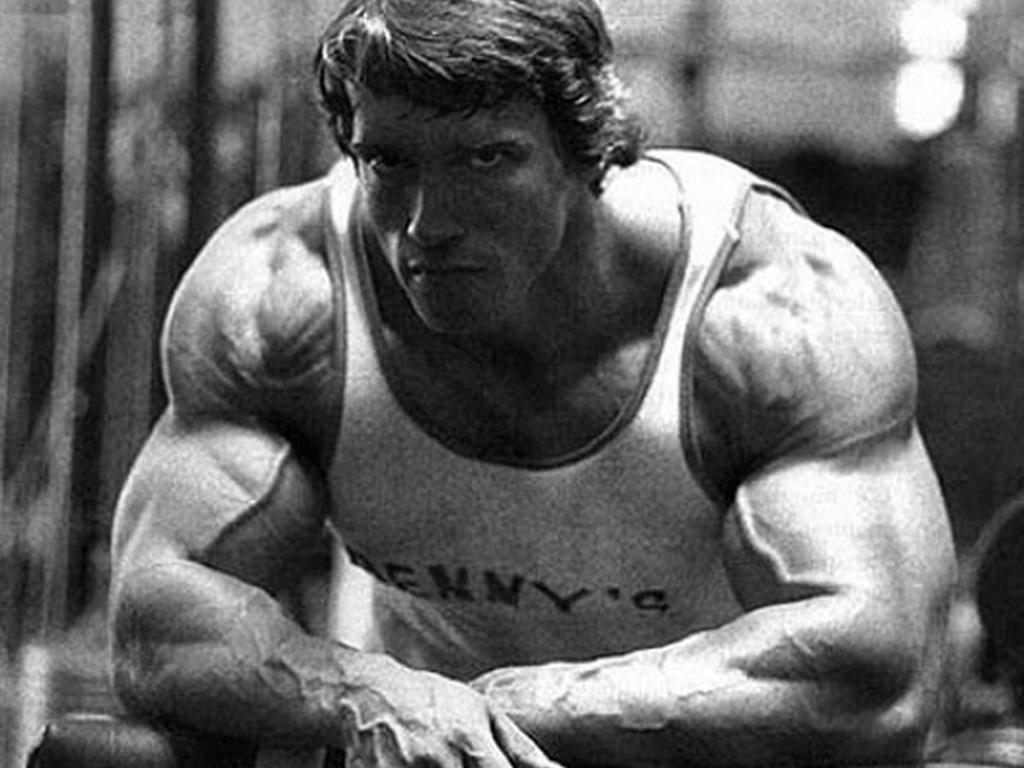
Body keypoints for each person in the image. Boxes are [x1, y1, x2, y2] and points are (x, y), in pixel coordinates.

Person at [108, 0, 957, 766]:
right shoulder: (283, 296)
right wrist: (369, 697)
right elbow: (154, 628)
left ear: (587, 149)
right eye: (388, 161)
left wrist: (490, 713)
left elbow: (877, 682)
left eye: (487, 158)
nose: (426, 224)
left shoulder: (772, 314)